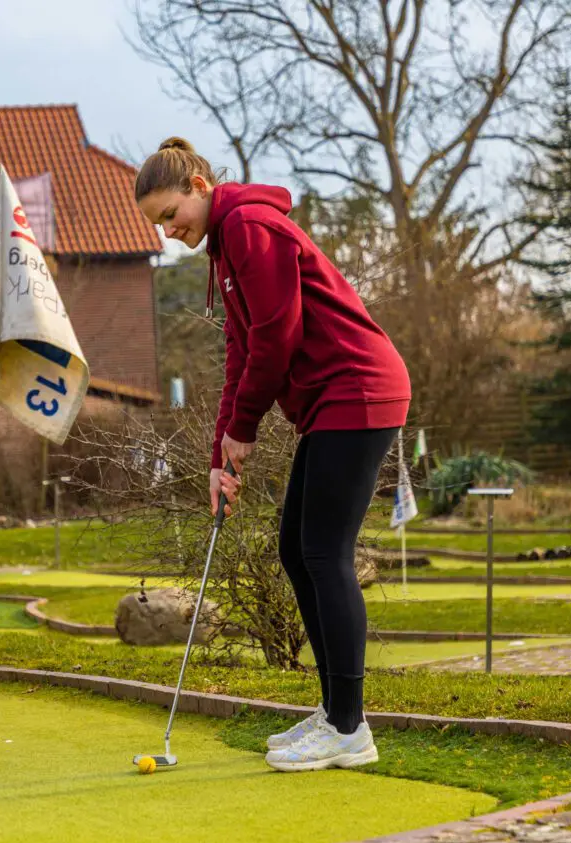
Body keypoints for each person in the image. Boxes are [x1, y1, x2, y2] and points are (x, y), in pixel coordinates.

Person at [135, 138, 411, 773]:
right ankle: (337, 712)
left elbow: (278, 336)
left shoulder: (251, 225)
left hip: (359, 389)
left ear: (200, 186)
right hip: (330, 403)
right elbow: (241, 352)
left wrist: (247, 428)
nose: (170, 232)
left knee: (323, 552)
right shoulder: (227, 247)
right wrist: (220, 453)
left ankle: (349, 728)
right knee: (297, 549)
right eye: (158, 224)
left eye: (171, 213)